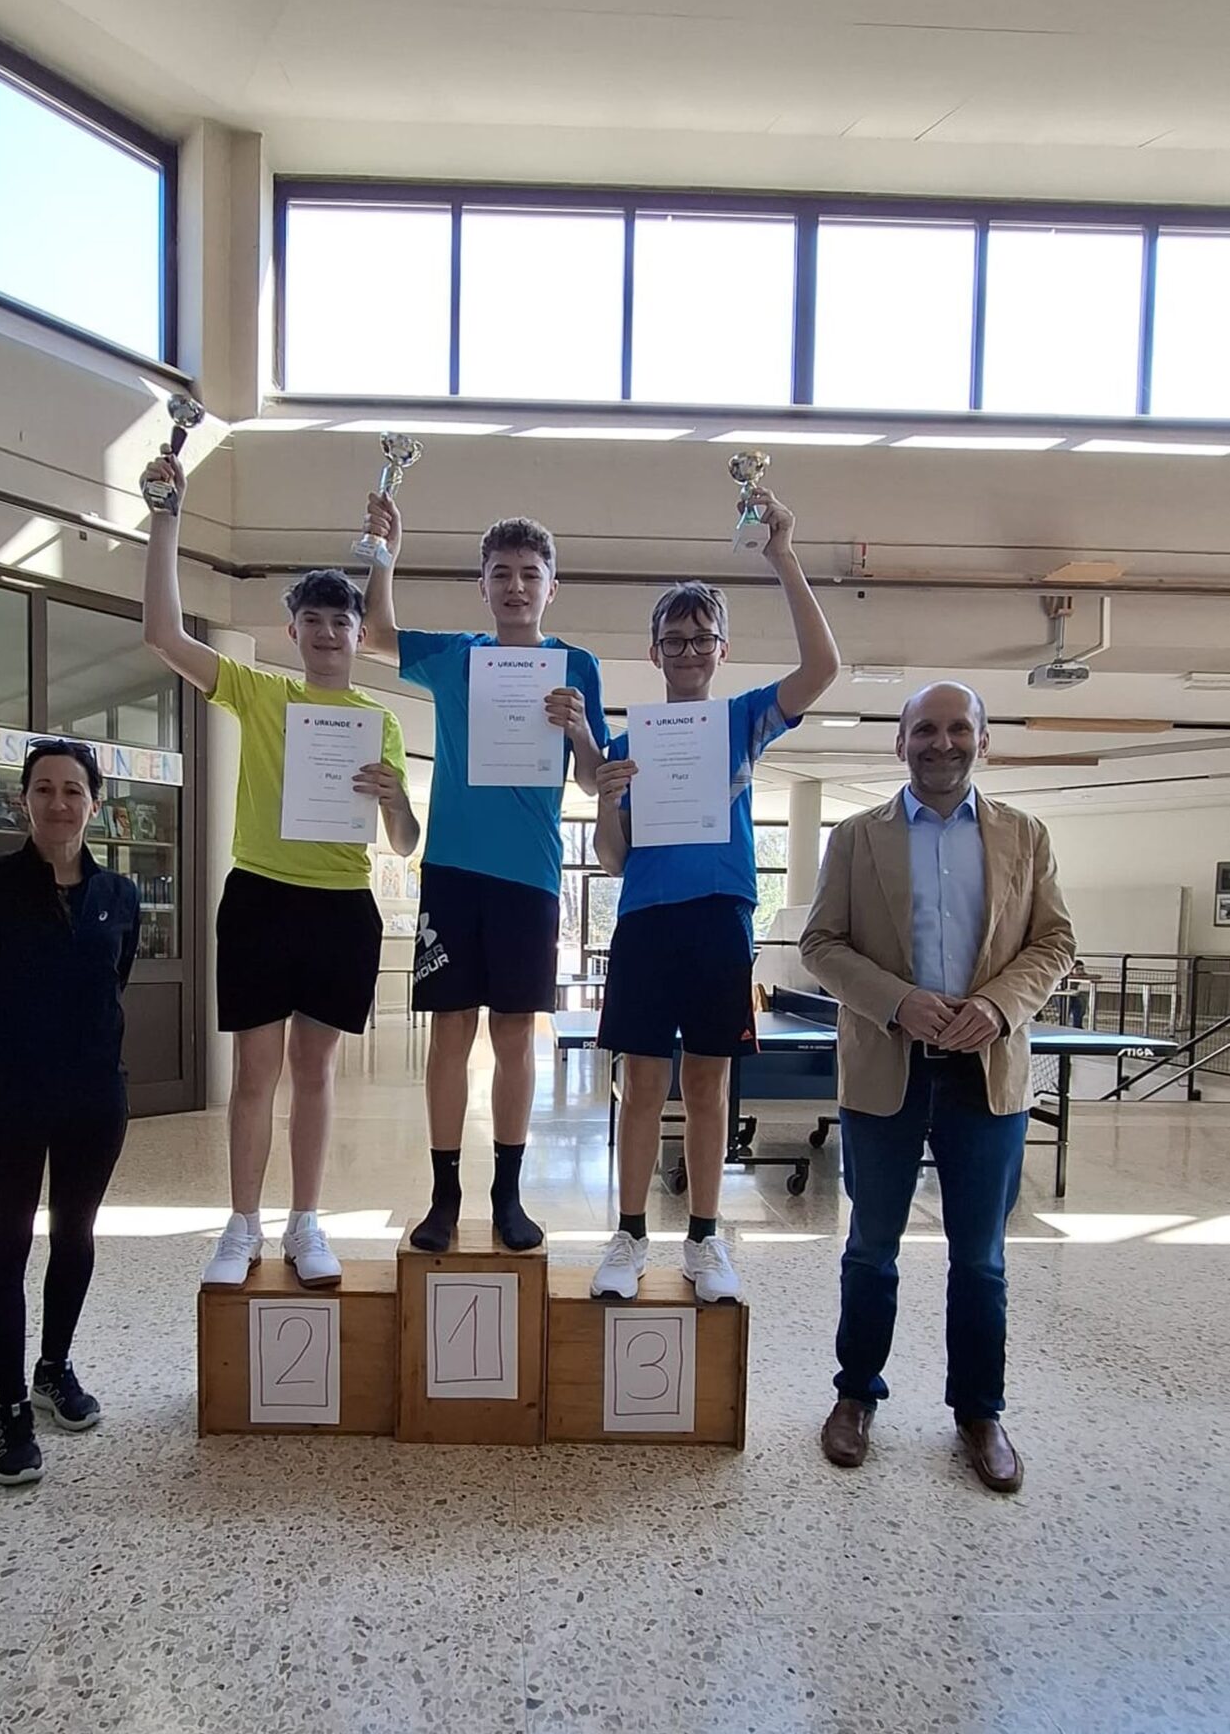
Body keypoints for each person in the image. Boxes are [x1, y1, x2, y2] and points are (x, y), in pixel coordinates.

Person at [141, 449, 418, 1289]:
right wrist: (166, 520)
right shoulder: (258, 692)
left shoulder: (379, 720)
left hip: (341, 905)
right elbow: (163, 635)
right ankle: (241, 1226)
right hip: (261, 898)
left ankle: (306, 1223)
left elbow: (404, 840)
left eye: (342, 622)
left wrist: (393, 798)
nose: (329, 633)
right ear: (292, 630)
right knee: (255, 1072)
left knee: (315, 1071)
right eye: (314, 621)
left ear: (358, 634)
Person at [801, 681, 1076, 1492]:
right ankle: (855, 1395)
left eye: (958, 728)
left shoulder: (1025, 836)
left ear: (982, 741)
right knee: (870, 1249)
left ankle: (979, 1412)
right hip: (885, 1068)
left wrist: (996, 1006)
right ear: (900, 742)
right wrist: (898, 1001)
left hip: (985, 1075)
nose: (941, 742)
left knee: (980, 1259)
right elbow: (821, 944)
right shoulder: (856, 838)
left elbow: (1053, 942)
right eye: (925, 729)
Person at [589, 487, 840, 1305]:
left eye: (701, 638)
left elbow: (822, 670)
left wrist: (782, 555)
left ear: (721, 649)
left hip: (719, 922)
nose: (688, 650)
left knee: (706, 1086)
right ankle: (629, 1235)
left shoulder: (741, 720)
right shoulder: (628, 742)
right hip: (645, 922)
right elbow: (613, 859)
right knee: (640, 1085)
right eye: (674, 639)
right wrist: (606, 797)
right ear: (654, 651)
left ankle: (703, 1239)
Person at [360, 495, 606, 1252]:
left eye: (530, 574)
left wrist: (580, 729)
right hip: (453, 871)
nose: (515, 586)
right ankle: (443, 1196)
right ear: (483, 585)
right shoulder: (457, 656)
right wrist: (385, 555)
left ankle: (507, 1194)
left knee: (514, 1036)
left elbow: (592, 781)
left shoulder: (577, 667)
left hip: (529, 878)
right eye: (501, 573)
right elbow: (375, 635)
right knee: (449, 1032)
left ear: (551, 586)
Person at [0, 739, 140, 1489]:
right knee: (7, 1242)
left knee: (75, 1235)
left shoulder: (118, 894)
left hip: (94, 1098)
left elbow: (114, 979)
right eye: (45, 789)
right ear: (24, 801)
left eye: (73, 790)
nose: (59, 802)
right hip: (6, 1100)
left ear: (95, 804)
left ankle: (54, 1368)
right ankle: (12, 1406)